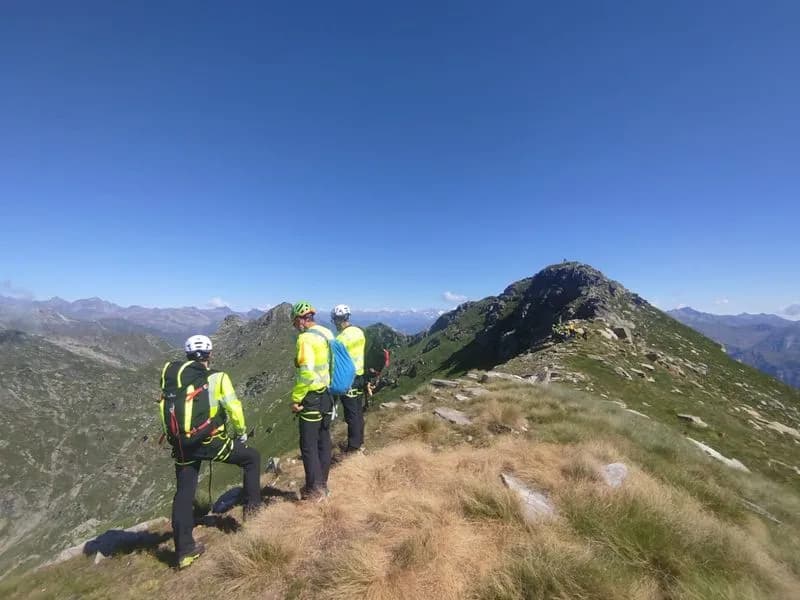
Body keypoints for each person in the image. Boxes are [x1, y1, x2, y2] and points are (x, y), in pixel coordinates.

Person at [159, 334, 263, 569]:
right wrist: (241, 432)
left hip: (183, 445)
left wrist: (176, 439)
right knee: (251, 458)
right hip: (211, 441)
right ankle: (254, 517)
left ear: (188, 356)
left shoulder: (175, 380)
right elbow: (233, 407)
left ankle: (184, 551)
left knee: (184, 492)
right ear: (210, 354)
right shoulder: (218, 377)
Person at [290, 301, 335, 500]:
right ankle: (323, 485)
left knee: (308, 445)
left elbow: (307, 373)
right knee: (324, 440)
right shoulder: (327, 332)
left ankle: (315, 492)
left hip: (312, 396)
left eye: (294, 322)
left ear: (300, 319)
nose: (295, 326)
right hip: (328, 394)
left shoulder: (305, 339)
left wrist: (296, 399)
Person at [331, 303, 366, 452]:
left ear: (338, 319)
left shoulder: (340, 339)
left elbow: (335, 361)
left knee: (351, 414)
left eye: (334, 320)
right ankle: (360, 441)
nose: (334, 323)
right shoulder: (359, 332)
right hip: (360, 376)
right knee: (358, 411)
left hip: (348, 379)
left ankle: (353, 447)